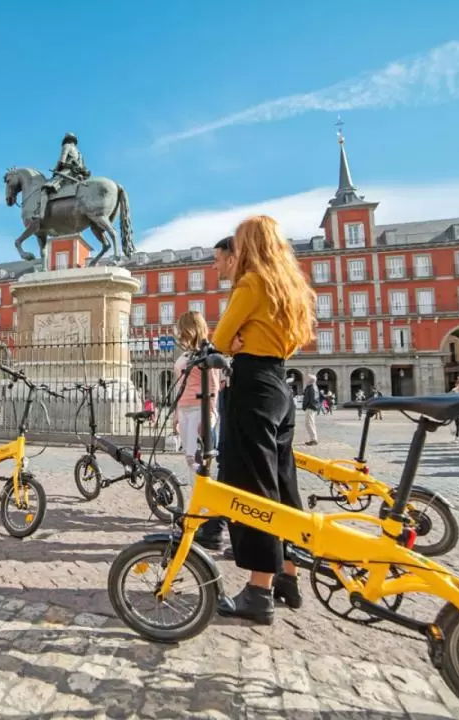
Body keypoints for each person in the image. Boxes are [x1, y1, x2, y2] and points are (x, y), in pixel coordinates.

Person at [210, 216, 314, 625]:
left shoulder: (252, 284)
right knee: (282, 483)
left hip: (252, 386)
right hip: (279, 386)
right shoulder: (290, 287)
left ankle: (259, 590)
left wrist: (235, 343)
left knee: (251, 487)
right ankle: (289, 574)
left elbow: (219, 340)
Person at [194, 235, 236, 554]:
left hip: (245, 388)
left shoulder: (249, 289)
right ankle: (217, 526)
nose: (214, 265)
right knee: (234, 462)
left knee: (234, 461)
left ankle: (219, 527)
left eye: (218, 259)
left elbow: (222, 337)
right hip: (246, 385)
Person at [172, 311, 219, 468]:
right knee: (190, 459)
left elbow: (213, 385)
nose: (180, 334)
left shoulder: (207, 353)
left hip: (199, 409)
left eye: (182, 330)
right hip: (184, 409)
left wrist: (211, 413)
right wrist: (176, 414)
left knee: (197, 459)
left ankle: (203, 489)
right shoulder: (187, 354)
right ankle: (196, 491)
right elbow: (179, 386)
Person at [301, 374, 320, 446]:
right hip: (310, 407)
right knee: (310, 423)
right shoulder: (310, 387)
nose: (305, 380)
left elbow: (313, 399)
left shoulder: (312, 387)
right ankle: (313, 439)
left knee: (309, 423)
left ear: (310, 380)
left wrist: (307, 406)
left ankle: (313, 439)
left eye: (306, 378)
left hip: (310, 408)